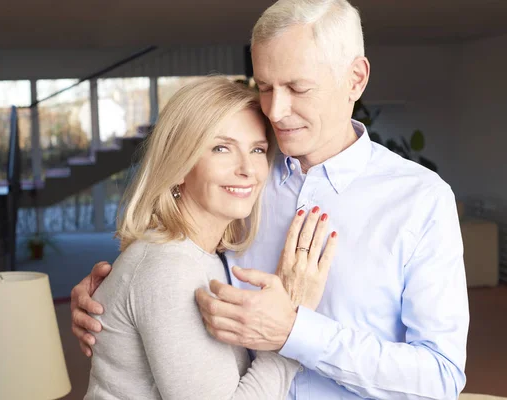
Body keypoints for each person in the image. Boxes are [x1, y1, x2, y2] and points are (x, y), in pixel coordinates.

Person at [72, 0, 470, 399]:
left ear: (355, 78)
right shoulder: (244, 186)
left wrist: (297, 331)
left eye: (298, 87)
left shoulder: (420, 200)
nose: (276, 111)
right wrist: (114, 300)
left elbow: (440, 378)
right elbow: (171, 262)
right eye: (264, 86)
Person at [82, 76, 338, 399]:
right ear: (178, 166)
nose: (248, 168)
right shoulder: (168, 267)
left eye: (257, 149)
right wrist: (292, 321)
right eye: (222, 148)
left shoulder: (202, 256)